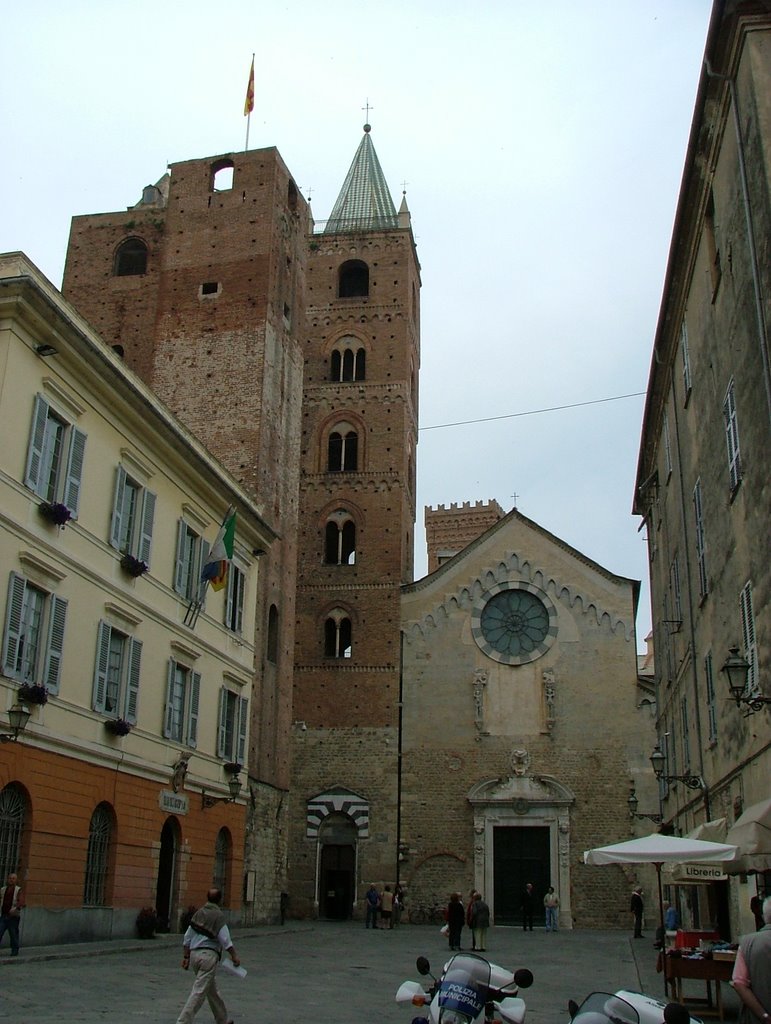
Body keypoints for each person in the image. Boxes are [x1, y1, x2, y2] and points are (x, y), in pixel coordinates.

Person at [176, 887, 240, 1024]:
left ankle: (222, 1019)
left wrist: (186, 957)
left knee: (212, 990)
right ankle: (183, 1022)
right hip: (208, 956)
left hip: (194, 955)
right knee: (199, 992)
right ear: (220, 900)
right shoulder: (219, 916)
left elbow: (187, 937)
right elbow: (225, 940)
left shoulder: (199, 913)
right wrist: (234, 956)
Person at [731, 894, 771, 1024]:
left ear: (764, 917)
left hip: (757, 1018)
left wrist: (764, 1015)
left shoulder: (748, 942)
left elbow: (739, 983)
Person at [0, 872, 25, 957]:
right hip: (3, 915)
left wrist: (16, 908)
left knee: (13, 934)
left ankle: (14, 950)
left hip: (13, 917)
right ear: (7, 879)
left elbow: (21, 901)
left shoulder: (18, 890)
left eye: (13, 878)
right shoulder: (3, 889)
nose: (11, 880)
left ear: (16, 880)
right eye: (10, 878)